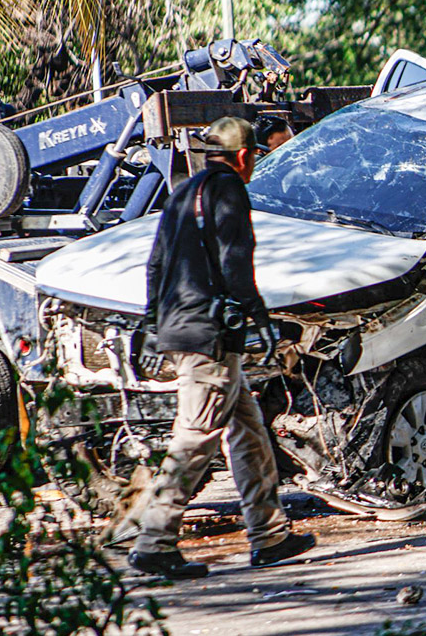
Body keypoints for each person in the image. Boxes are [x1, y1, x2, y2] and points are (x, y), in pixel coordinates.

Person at [129, 117, 315, 579]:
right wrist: (262, 318)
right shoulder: (229, 190)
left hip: (184, 330)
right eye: (255, 157)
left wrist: (155, 323)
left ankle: (269, 537)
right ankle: (154, 541)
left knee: (249, 431)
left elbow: (155, 265)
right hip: (208, 338)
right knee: (195, 436)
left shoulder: (180, 193)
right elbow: (236, 262)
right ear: (244, 156)